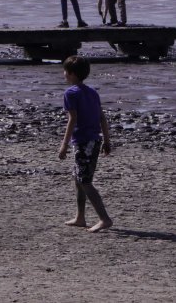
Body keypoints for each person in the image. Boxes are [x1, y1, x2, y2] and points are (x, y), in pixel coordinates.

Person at [58, 55, 112, 232]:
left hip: (83, 142)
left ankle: (104, 218)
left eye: (65, 71)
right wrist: (106, 139)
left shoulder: (71, 93)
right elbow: (102, 117)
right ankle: (80, 216)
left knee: (85, 181)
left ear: (72, 74)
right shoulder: (92, 92)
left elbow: (72, 119)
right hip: (94, 140)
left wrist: (64, 145)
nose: (63, 74)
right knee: (78, 178)